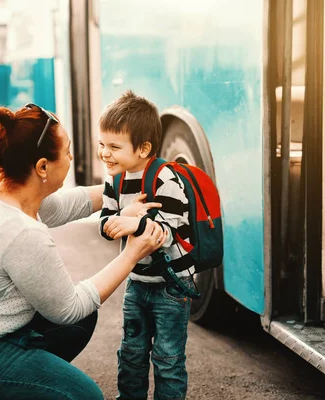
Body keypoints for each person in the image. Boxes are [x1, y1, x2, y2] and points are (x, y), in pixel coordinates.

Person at [0, 103, 168, 400]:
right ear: (42, 167)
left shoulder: (2, 191)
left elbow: (65, 205)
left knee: (80, 321)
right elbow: (69, 309)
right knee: (83, 394)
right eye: (66, 152)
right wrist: (131, 254)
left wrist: (124, 189)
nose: (71, 158)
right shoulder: (20, 231)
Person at [97, 90, 195, 400]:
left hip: (171, 286)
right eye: (102, 144)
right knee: (131, 354)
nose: (105, 154)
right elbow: (105, 223)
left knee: (167, 360)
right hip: (137, 284)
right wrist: (122, 217)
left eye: (114, 147)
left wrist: (133, 224)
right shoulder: (114, 180)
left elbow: (167, 233)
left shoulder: (165, 179)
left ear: (143, 148)